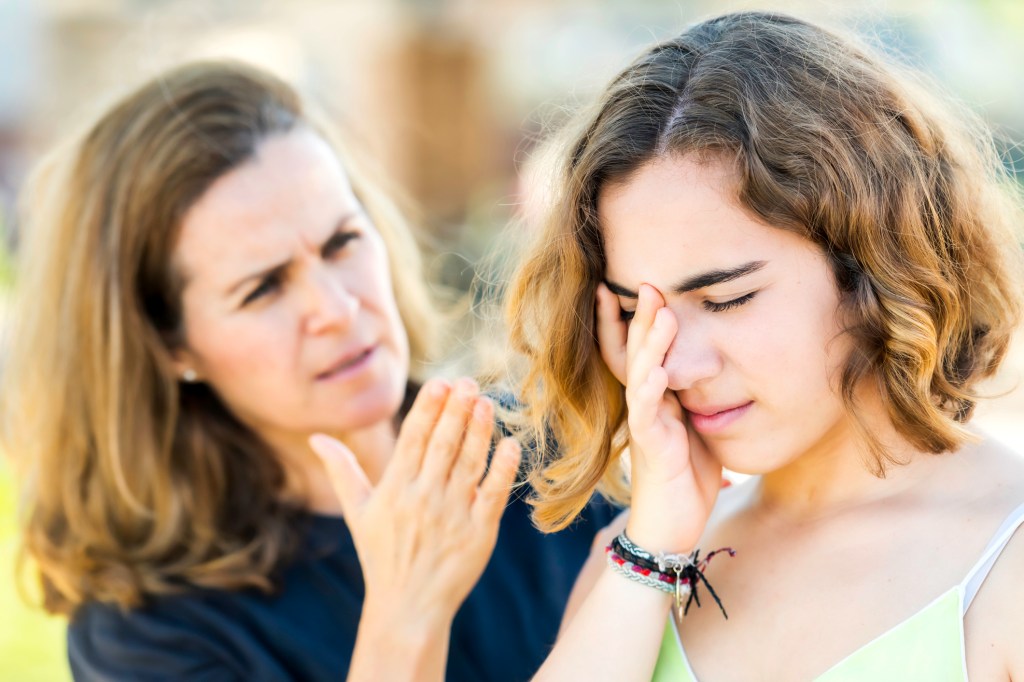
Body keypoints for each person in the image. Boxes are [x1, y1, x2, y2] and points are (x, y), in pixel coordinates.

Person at [1, 61, 614, 682]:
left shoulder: (550, 448)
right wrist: (407, 615)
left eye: (342, 242)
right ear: (167, 346)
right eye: (263, 288)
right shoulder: (147, 631)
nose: (337, 308)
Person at [506, 11, 1024, 681]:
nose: (677, 366)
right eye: (637, 312)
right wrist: (651, 552)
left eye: (726, 300)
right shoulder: (635, 561)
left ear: (872, 263)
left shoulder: (1005, 558)